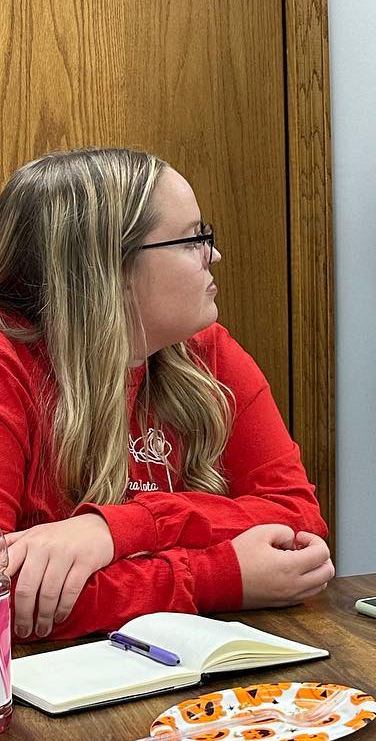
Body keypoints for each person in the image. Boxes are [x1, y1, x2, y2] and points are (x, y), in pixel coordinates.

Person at [0, 147, 333, 642]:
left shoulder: (206, 350)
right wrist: (215, 576)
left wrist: (119, 530)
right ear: (109, 268)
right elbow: (10, 598)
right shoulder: (9, 365)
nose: (214, 254)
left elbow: (297, 525)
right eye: (193, 238)